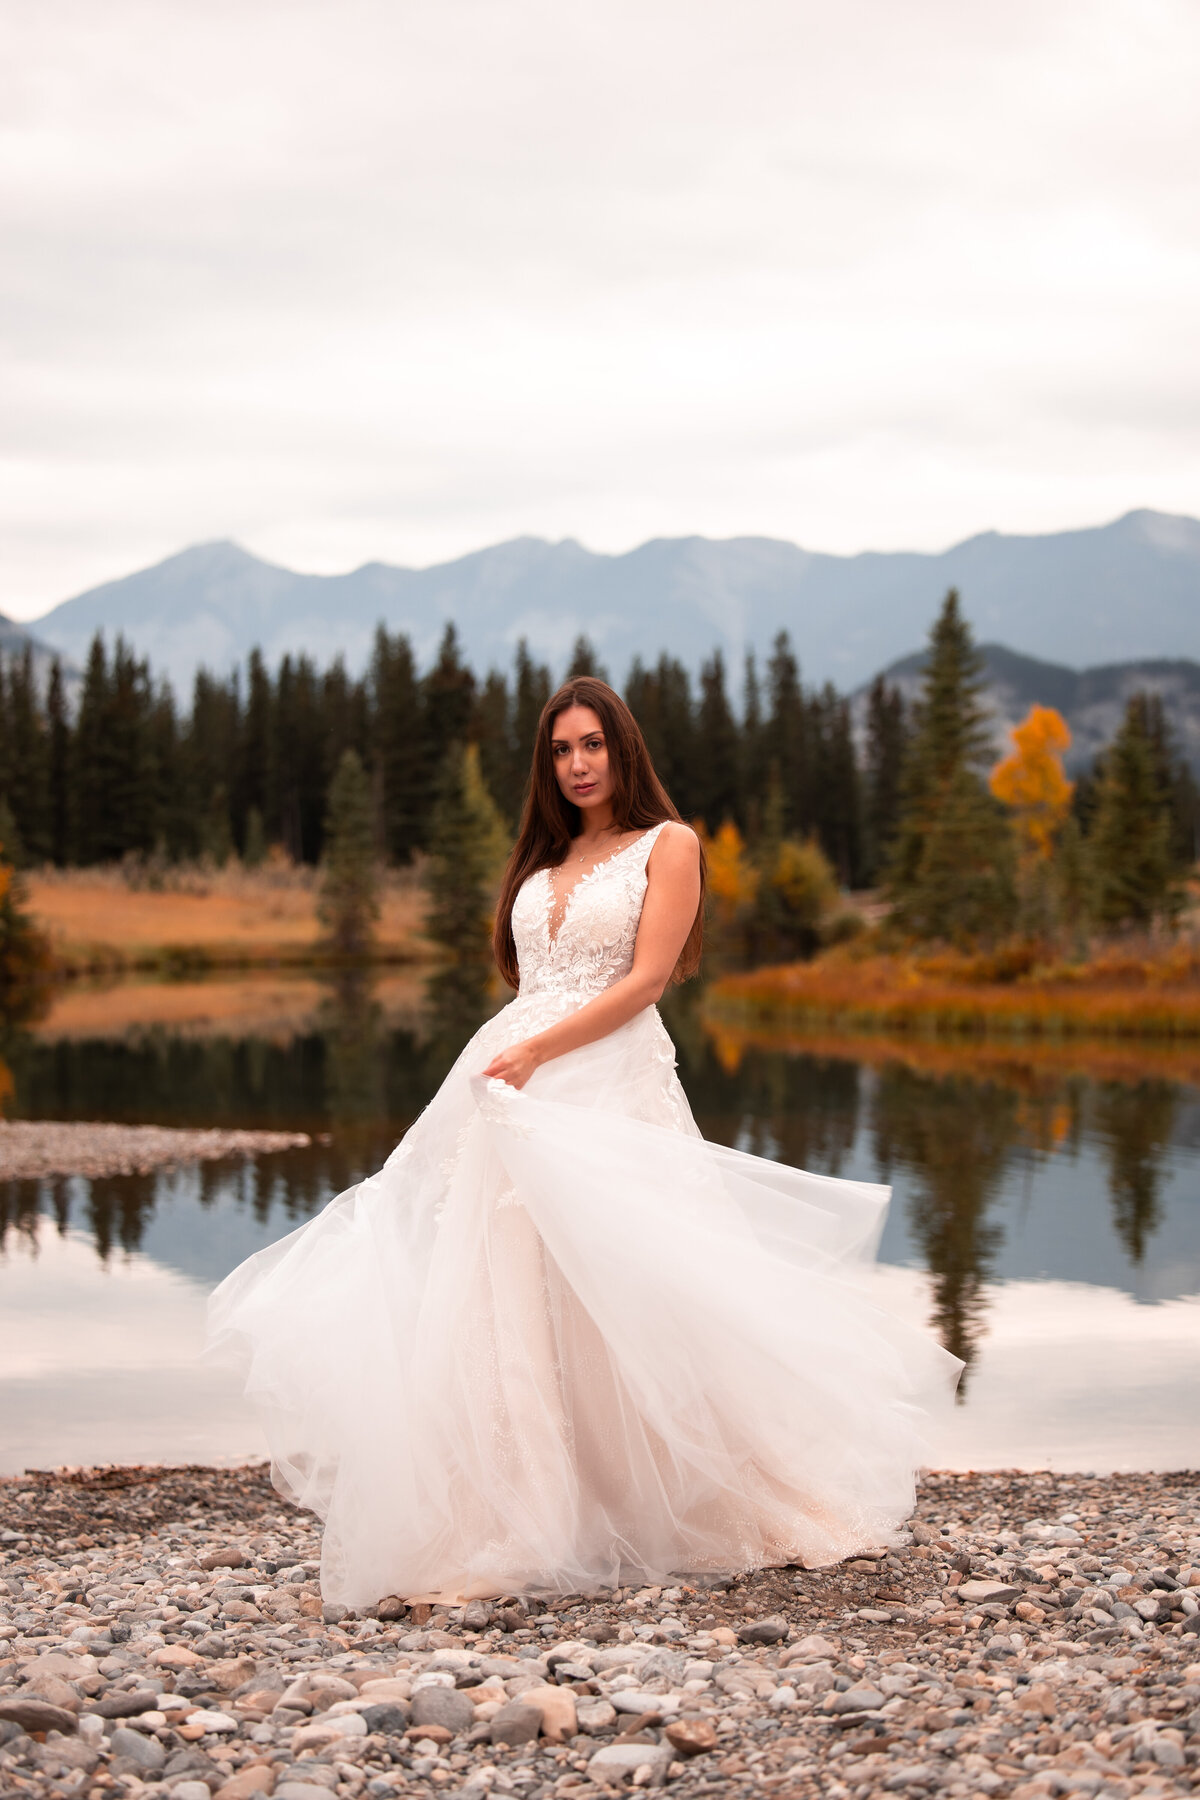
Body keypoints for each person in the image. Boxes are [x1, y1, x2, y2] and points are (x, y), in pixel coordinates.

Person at [207, 677, 961, 1607]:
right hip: (510, 1071)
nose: (577, 764)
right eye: (562, 750)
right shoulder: (543, 857)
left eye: (593, 745)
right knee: (498, 1283)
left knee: (624, 1275)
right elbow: (532, 977)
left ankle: (668, 1490)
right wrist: (513, 1054)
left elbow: (647, 980)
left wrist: (538, 1049)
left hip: (597, 1074)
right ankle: (525, 1503)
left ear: (623, 749)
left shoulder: (669, 845)